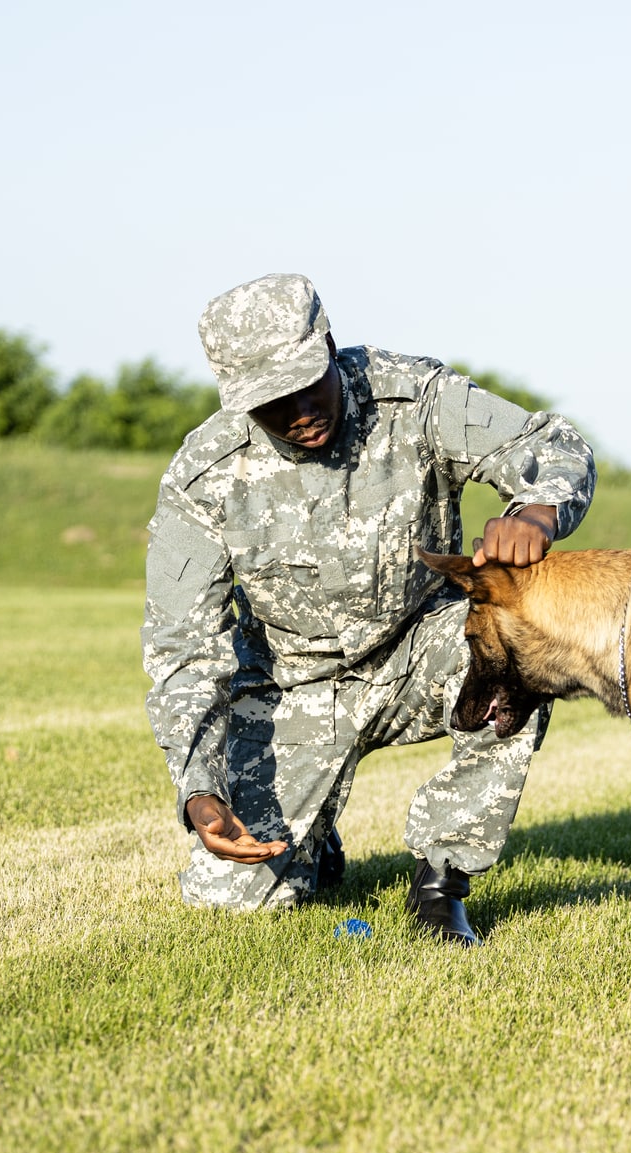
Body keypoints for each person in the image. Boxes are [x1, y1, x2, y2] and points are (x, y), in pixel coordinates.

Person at [142, 274, 595, 945]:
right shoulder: (203, 477)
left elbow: (554, 445)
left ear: (326, 342)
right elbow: (183, 647)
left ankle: (441, 881)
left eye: (306, 380)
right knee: (237, 897)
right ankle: (312, 846)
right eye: (272, 400)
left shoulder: (413, 398)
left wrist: (536, 509)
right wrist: (198, 788)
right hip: (288, 689)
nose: (299, 408)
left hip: (424, 647)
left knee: (521, 638)